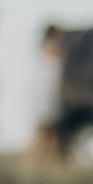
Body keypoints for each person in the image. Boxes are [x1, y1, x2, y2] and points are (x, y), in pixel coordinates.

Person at [28, 22, 66, 162]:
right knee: (42, 131)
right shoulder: (50, 47)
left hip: (50, 95)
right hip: (44, 96)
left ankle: (54, 162)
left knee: (49, 133)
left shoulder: (50, 48)